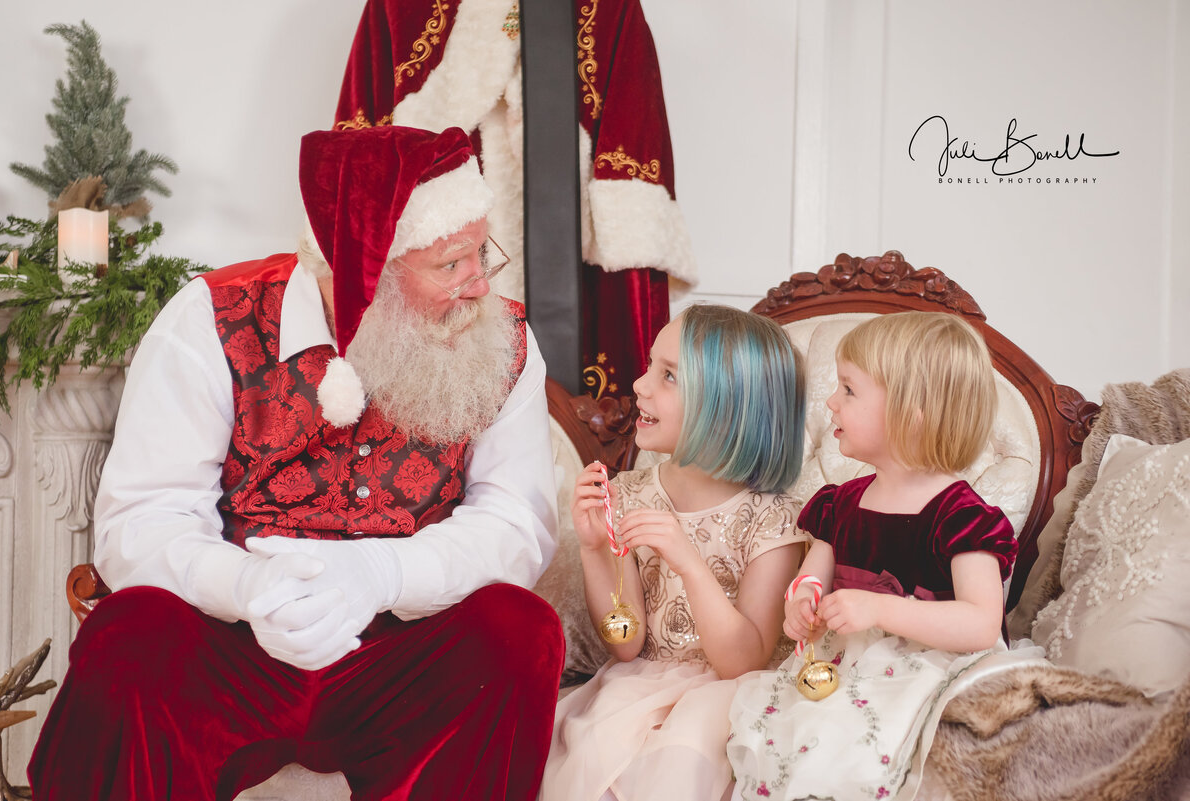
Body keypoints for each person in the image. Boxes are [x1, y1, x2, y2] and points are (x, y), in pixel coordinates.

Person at [27, 124, 564, 801]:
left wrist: (384, 572)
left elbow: (517, 520)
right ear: (366, 271)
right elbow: (141, 518)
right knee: (128, 635)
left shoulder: (502, 341)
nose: (480, 284)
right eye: (450, 264)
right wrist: (247, 586)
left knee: (520, 632)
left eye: (480, 252)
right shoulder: (209, 318)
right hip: (235, 648)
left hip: (401, 656)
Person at [727, 311, 1039, 801]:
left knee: (861, 751)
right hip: (844, 664)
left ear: (911, 413)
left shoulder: (961, 516)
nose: (830, 401)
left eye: (849, 390)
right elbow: (810, 578)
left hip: (929, 671)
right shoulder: (841, 503)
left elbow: (981, 624)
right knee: (799, 744)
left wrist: (877, 609)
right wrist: (802, 604)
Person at [334, 0, 697, 398]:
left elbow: (634, 135)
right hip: (440, 244)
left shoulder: (607, 7)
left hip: (574, 258)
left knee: (582, 408)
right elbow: (360, 149)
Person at [539, 304, 809, 801]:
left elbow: (742, 663)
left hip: (727, 697)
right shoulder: (629, 492)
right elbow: (625, 643)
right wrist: (596, 549)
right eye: (650, 365)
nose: (639, 384)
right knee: (591, 758)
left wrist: (688, 562)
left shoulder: (774, 520)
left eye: (668, 376)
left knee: (682, 762)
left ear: (727, 409)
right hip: (637, 687)